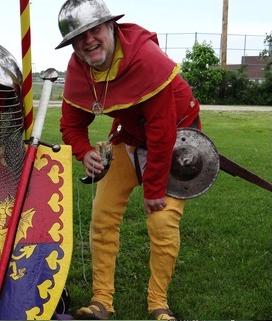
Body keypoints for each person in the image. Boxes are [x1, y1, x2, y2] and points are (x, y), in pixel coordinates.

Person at [55, 0, 201, 319]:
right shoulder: (78, 68)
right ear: (72, 44)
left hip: (176, 139)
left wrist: (153, 190)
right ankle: (101, 301)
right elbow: (71, 124)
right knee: (103, 214)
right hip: (130, 137)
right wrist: (84, 151)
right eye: (79, 36)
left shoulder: (146, 57)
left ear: (111, 27)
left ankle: (159, 303)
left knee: (162, 221)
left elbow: (163, 132)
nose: (88, 40)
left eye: (94, 30)